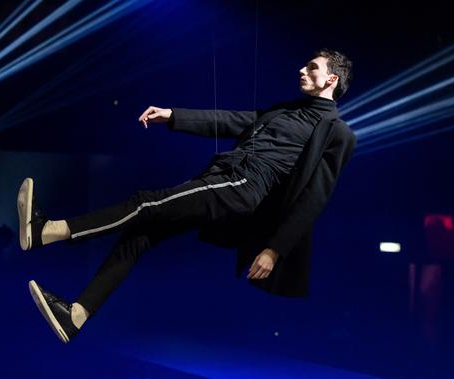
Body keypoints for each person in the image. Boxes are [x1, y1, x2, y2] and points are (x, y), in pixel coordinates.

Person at [19, 48, 357, 343]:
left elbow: (314, 198)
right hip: (222, 178)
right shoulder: (285, 110)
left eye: (312, 67)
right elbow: (233, 120)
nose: (302, 70)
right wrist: (173, 116)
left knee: (145, 203)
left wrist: (274, 249)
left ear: (331, 80)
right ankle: (76, 314)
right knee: (140, 234)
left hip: (242, 189)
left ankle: (48, 231)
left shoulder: (337, 133)